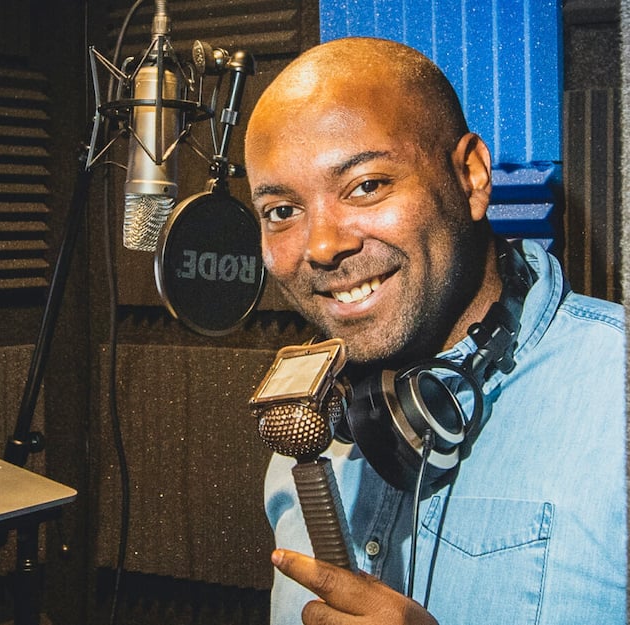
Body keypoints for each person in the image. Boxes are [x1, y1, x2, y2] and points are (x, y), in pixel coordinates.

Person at [243, 37, 626, 625]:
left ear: (471, 177)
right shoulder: (306, 431)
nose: (321, 247)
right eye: (282, 211)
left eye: (366, 185)